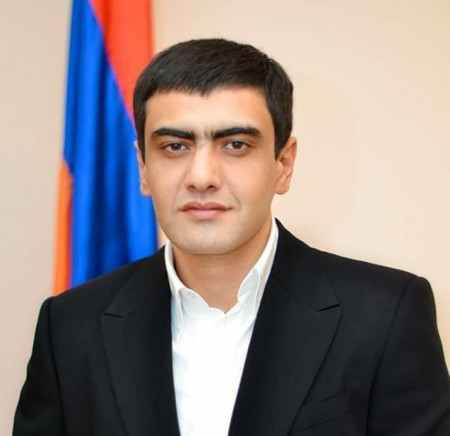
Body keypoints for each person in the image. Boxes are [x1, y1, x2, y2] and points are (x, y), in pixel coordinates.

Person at [14, 38, 450, 436]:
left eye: (235, 144)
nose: (202, 176)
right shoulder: (68, 326)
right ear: (143, 167)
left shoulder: (386, 315)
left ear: (284, 164)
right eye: (175, 146)